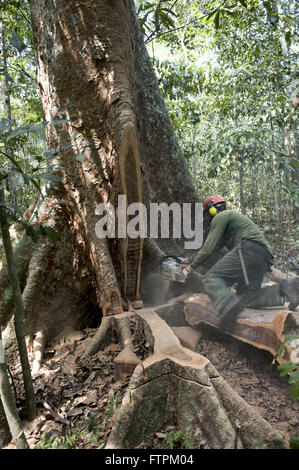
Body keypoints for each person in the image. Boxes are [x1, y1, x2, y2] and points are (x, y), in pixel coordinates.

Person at [182, 195, 299, 330]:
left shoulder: (221, 216)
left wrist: (191, 268)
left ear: (212, 210)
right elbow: (211, 248)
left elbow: (208, 249)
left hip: (248, 250)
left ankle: (228, 306)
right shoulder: (231, 223)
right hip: (263, 255)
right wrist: (187, 260)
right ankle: (285, 288)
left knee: (210, 278)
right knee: (246, 297)